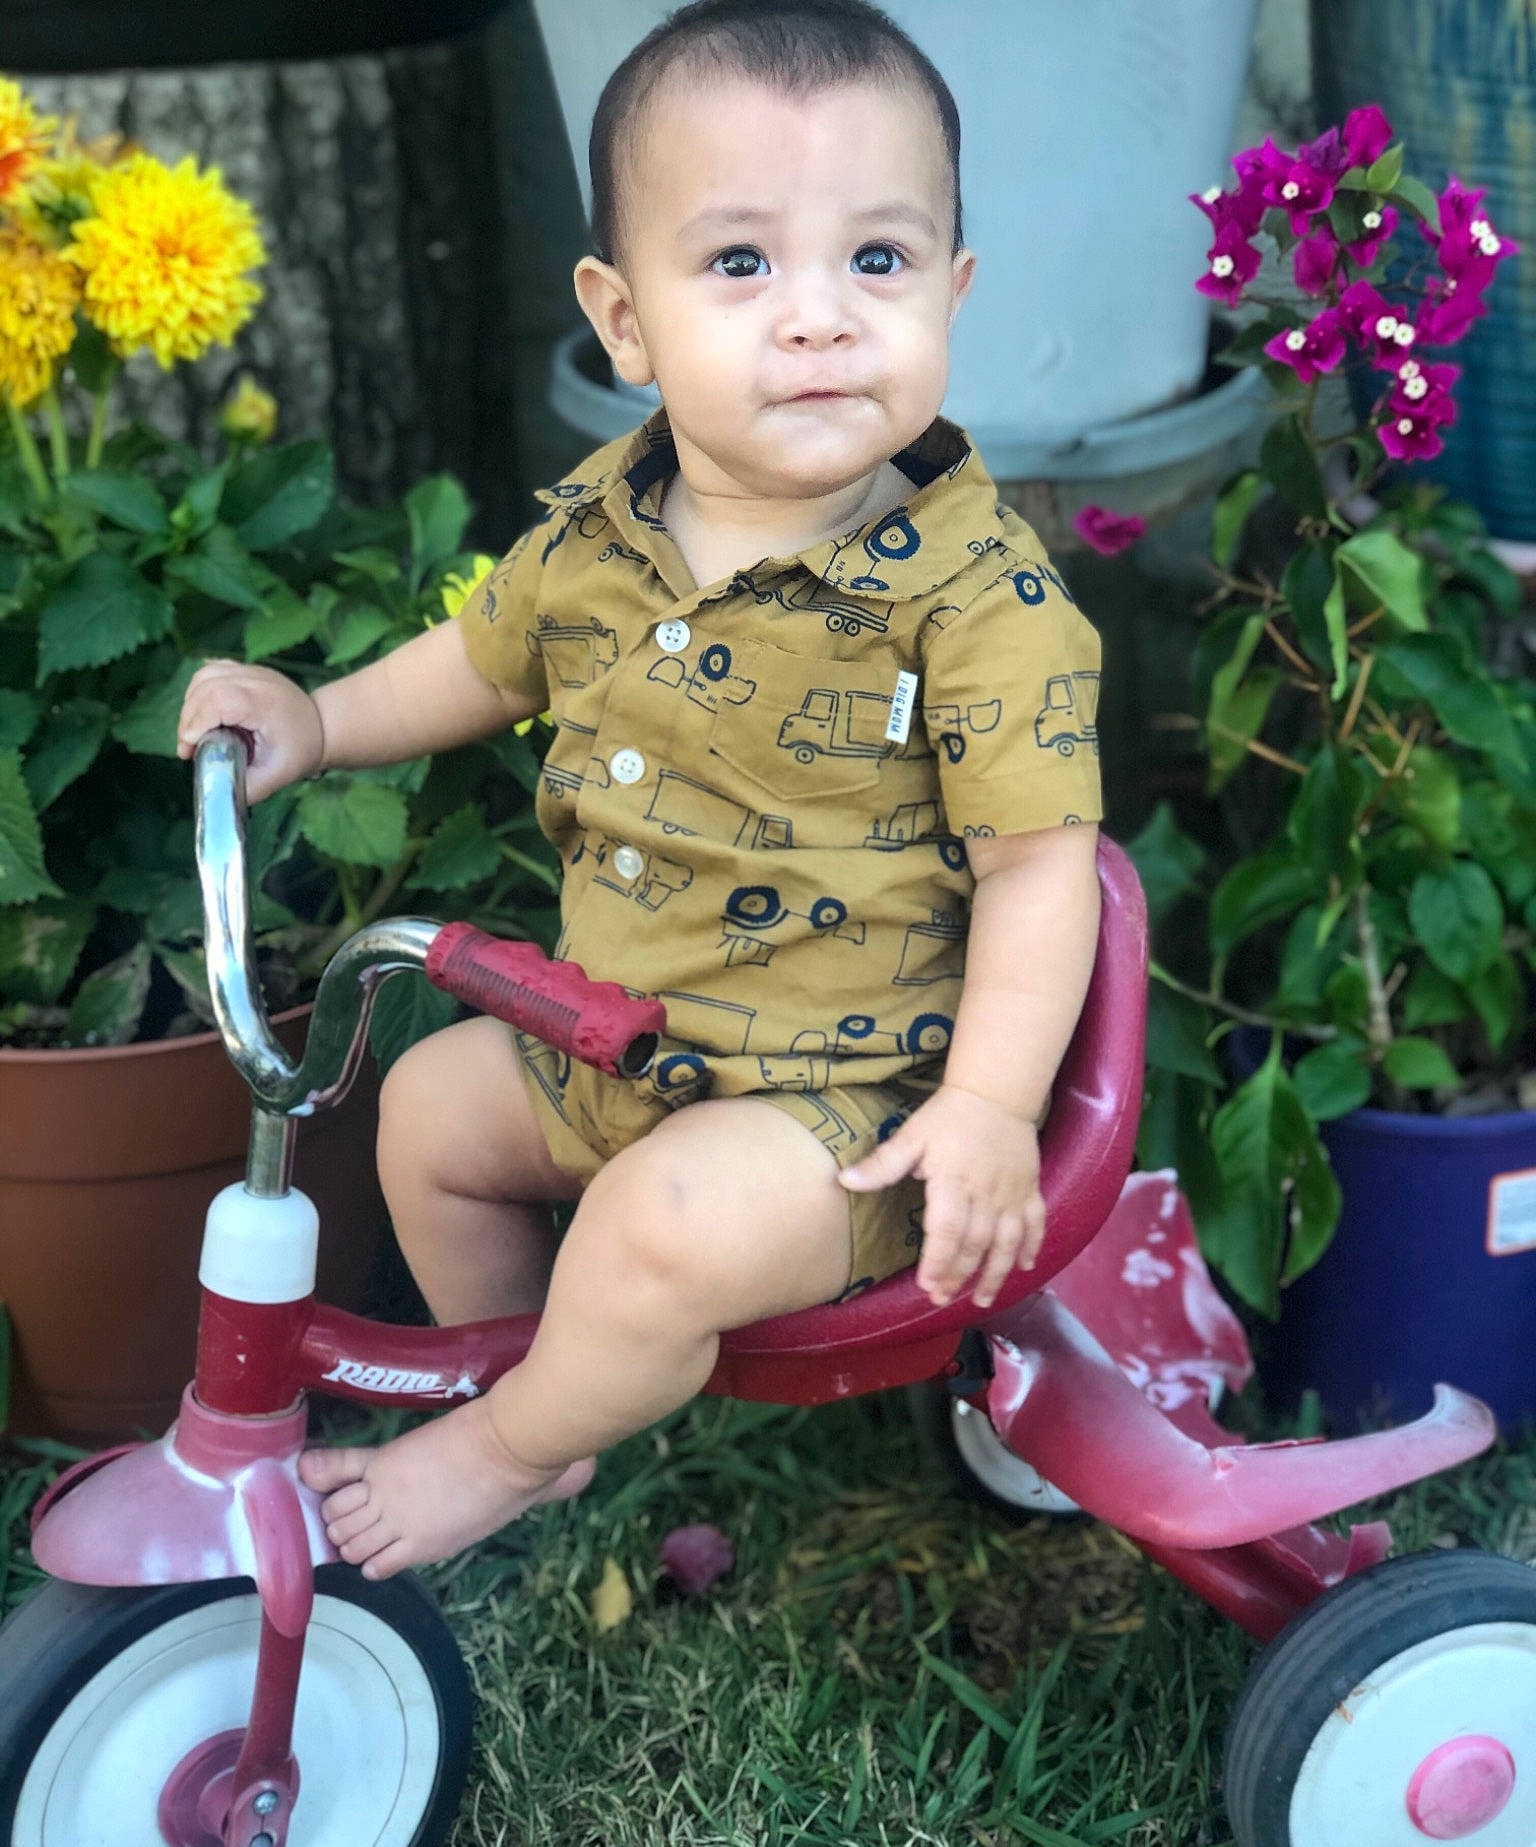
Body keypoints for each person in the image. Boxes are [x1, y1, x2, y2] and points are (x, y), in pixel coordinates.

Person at [177, 0, 1104, 1581]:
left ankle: (501, 1442)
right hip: (613, 1043)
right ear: (625, 321)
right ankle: (541, 1379)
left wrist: (988, 1112)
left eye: (877, 262)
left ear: (953, 291)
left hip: (838, 1107)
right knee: (430, 1114)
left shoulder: (980, 604)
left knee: (661, 1231)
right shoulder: (600, 538)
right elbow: (476, 663)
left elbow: (1038, 869)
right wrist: (319, 721)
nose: (817, 318)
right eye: (741, 264)